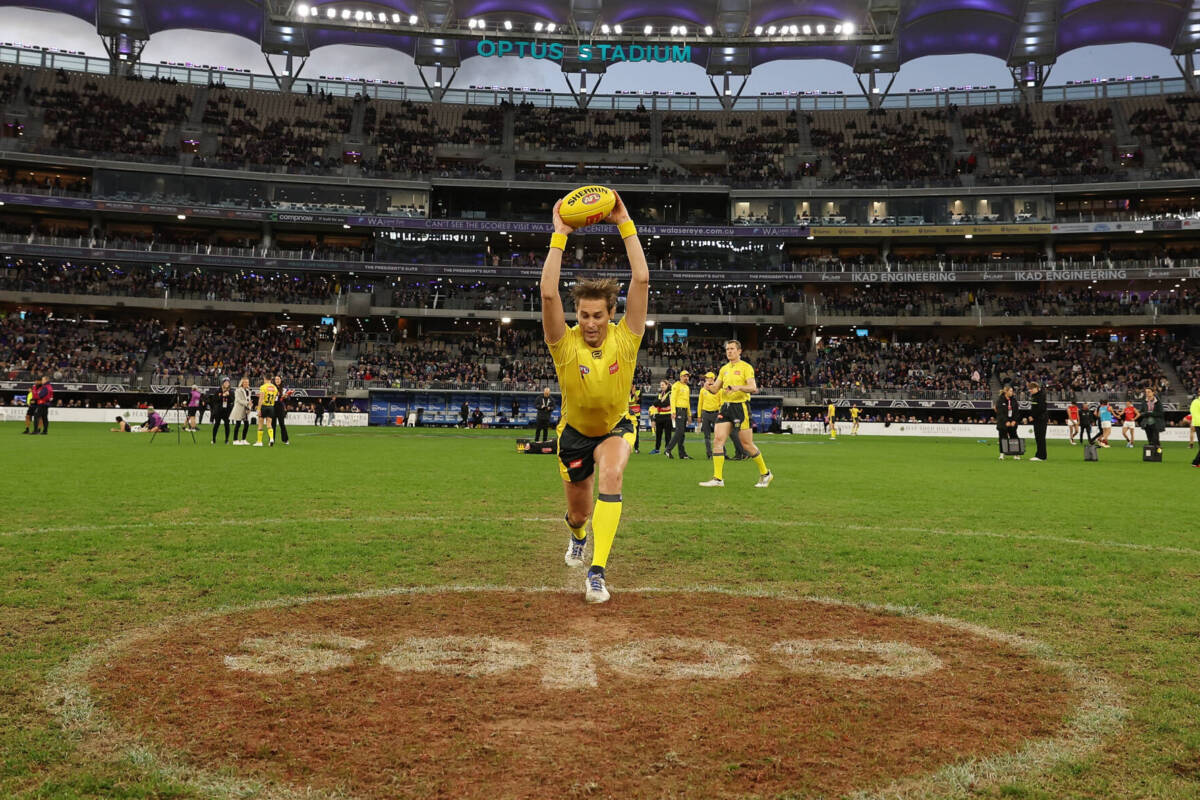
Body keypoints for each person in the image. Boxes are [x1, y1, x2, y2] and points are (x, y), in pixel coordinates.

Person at [541, 190, 647, 604]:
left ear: (610, 313)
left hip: (615, 427)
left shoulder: (626, 338)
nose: (590, 323)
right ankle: (578, 535)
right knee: (579, 512)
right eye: (584, 315)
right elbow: (548, 294)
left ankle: (597, 573)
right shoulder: (564, 343)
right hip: (574, 436)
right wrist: (559, 234)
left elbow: (642, 279)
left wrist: (624, 222)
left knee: (613, 473)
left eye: (597, 315)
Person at [700, 340, 773, 488]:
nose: (729, 351)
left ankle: (766, 473)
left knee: (747, 444)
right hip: (725, 407)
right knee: (718, 440)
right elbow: (715, 389)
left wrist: (738, 387)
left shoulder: (746, 367)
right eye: (727, 349)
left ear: (739, 351)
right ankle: (718, 478)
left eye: (732, 349)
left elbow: (753, 387)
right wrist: (708, 387)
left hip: (740, 407)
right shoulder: (724, 369)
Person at [664, 370, 693, 459]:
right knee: (679, 431)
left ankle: (682, 454)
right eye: (684, 376)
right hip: (678, 410)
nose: (686, 378)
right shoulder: (676, 385)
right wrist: (673, 411)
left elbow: (688, 401)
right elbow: (673, 399)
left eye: (687, 376)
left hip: (684, 411)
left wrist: (689, 414)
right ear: (680, 377)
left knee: (682, 433)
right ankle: (668, 449)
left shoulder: (687, 387)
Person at [697, 372, 722, 459]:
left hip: (716, 414)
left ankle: (722, 453)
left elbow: (721, 403)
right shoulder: (702, 390)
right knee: (707, 436)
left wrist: (720, 413)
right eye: (706, 378)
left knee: (719, 435)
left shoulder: (718, 389)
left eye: (709, 378)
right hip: (705, 414)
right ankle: (709, 454)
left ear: (713, 378)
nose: (707, 380)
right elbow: (700, 403)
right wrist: (699, 416)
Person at [1136, 386, 1165, 450]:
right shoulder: (1144, 401)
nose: (1147, 393)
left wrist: (1150, 413)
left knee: (1156, 440)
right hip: (1147, 423)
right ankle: (1151, 454)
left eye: (1149, 392)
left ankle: (1158, 453)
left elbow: (1161, 413)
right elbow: (1141, 412)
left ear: (1153, 393)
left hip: (1156, 423)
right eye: (1146, 392)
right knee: (1150, 440)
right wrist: (1144, 414)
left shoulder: (1158, 402)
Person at [995, 384, 1020, 460]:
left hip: (1012, 422)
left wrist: (1014, 421)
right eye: (1010, 391)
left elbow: (1016, 412)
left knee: (1014, 437)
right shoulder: (1000, 400)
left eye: (1012, 391)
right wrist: (1006, 421)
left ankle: (1016, 454)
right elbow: (1000, 412)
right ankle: (1002, 454)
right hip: (1003, 423)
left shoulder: (1014, 400)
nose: (1012, 392)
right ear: (1006, 391)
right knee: (1002, 438)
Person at [649, 379, 672, 454]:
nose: (661, 386)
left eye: (663, 385)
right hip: (659, 416)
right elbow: (654, 403)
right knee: (658, 434)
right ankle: (657, 449)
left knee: (667, 434)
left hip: (668, 416)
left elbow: (667, 403)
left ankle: (667, 450)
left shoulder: (670, 393)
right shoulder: (660, 394)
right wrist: (660, 401)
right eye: (660, 385)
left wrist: (659, 402)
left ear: (667, 385)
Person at [255, 375, 279, 447]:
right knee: (269, 424)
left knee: (260, 424)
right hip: (271, 406)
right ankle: (271, 439)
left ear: (265, 379)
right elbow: (275, 397)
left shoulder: (263, 387)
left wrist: (258, 408)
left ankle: (259, 442)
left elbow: (261, 398)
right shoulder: (274, 388)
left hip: (264, 406)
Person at [1027, 381, 1048, 461]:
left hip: (1041, 419)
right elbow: (1034, 408)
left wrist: (1033, 416)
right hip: (1037, 419)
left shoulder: (1041, 396)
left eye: (1031, 389)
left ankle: (1041, 456)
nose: (1030, 390)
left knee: (1040, 437)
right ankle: (1040, 455)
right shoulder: (1034, 396)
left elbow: (1041, 409)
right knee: (1038, 438)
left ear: (1036, 388)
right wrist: (1031, 415)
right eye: (1029, 389)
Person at [210, 378, 234, 444]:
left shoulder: (231, 391)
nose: (226, 384)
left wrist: (228, 395)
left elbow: (232, 400)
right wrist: (222, 396)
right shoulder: (218, 391)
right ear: (222, 383)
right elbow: (214, 400)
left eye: (227, 382)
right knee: (217, 424)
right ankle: (213, 439)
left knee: (227, 425)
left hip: (227, 410)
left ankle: (226, 440)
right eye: (225, 382)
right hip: (218, 410)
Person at [231, 377, 252, 445]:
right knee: (238, 424)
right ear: (242, 383)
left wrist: (249, 407)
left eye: (247, 382)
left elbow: (249, 399)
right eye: (245, 382)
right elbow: (238, 400)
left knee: (246, 424)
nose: (246, 383)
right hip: (239, 409)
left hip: (245, 409)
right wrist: (247, 403)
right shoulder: (238, 390)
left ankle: (243, 439)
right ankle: (235, 440)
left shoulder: (248, 391)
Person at [271, 374, 291, 445]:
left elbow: (288, 398)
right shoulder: (272, 387)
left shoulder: (284, 388)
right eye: (276, 379)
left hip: (280, 407)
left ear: (281, 380)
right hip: (273, 407)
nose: (277, 380)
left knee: (282, 424)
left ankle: (285, 440)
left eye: (278, 379)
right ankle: (271, 440)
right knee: (272, 425)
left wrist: (286, 396)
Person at [627, 386, 642, 454]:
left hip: (636, 416)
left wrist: (634, 393)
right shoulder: (626, 392)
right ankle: (627, 447)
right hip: (628, 416)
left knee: (636, 432)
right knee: (627, 432)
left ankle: (636, 448)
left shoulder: (639, 392)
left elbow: (639, 401)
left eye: (633, 385)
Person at [1189, 388, 1200, 468]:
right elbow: (1194, 414)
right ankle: (1195, 462)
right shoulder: (1196, 402)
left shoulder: (1195, 402)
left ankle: (1196, 462)